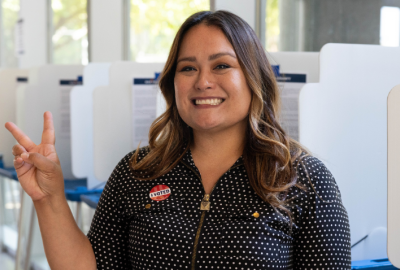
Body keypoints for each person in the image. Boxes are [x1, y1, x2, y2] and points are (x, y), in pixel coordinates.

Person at [5, 10, 351, 270]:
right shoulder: (136, 171)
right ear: (173, 84)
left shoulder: (303, 180)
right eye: (188, 68)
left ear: (253, 78)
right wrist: (49, 198)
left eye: (221, 66)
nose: (202, 82)